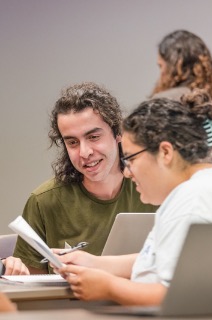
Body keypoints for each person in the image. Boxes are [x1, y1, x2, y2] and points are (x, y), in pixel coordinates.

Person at [55, 89, 212, 305]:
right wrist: (94, 263)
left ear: (166, 152)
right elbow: (160, 260)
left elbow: (179, 297)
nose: (127, 171)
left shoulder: (195, 201)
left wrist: (109, 287)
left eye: (131, 159)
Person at [13, 82, 157, 274]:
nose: (84, 152)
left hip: (144, 301)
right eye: (72, 142)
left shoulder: (154, 190)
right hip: (71, 303)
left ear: (117, 133)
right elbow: (31, 287)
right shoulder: (44, 201)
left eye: (94, 137)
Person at [151, 29, 212, 165]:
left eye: (161, 66)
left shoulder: (163, 101)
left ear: (174, 66)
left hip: (184, 184)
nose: (161, 73)